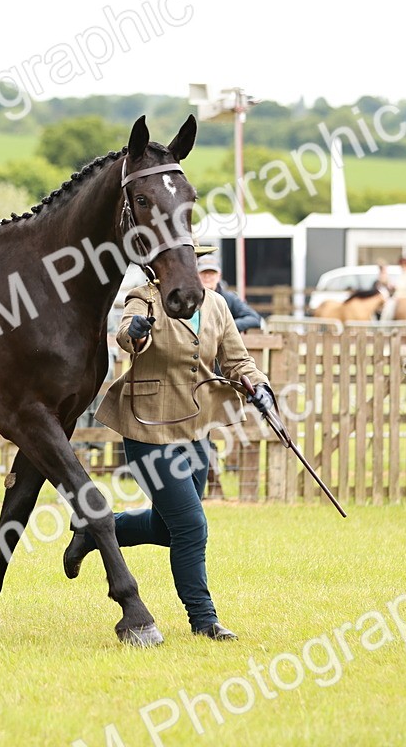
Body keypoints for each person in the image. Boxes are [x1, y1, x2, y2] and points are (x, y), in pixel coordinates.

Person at [62, 245, 273, 641]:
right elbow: (127, 335)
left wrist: (259, 386)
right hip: (149, 431)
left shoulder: (216, 305)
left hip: (196, 432)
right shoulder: (145, 298)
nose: (185, 267)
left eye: (191, 259)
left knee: (166, 528)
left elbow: (237, 360)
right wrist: (136, 333)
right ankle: (204, 620)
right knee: (192, 526)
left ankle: (92, 532)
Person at [196, 253, 262, 499]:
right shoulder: (189, 295)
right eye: (204, 273)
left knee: (217, 430)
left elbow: (255, 318)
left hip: (221, 376)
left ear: (219, 276)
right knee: (201, 433)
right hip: (197, 374)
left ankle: (214, 486)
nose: (208, 277)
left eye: (212, 273)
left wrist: (224, 325)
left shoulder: (227, 299)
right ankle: (209, 487)